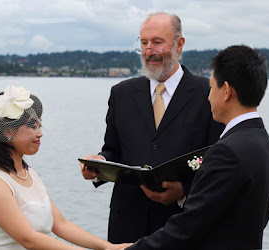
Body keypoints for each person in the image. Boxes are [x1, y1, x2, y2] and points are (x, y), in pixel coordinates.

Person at [80, 11, 224, 243]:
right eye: (144, 43)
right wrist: (99, 164)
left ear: (179, 44)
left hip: (183, 226)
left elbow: (217, 161)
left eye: (157, 43)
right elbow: (112, 150)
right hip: (126, 225)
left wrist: (184, 190)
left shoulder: (207, 93)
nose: (148, 51)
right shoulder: (121, 93)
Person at [123, 45, 269, 249]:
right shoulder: (266, 146)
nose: (208, 97)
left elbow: (187, 229)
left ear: (226, 91)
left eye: (212, 88)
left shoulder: (227, 152)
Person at [0, 84, 131, 250]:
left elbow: (60, 225)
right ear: (7, 132)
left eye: (39, 125)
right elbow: (29, 239)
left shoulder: (28, 173)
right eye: (31, 126)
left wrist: (108, 247)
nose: (39, 133)